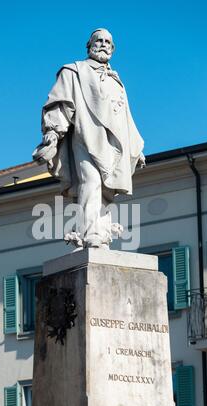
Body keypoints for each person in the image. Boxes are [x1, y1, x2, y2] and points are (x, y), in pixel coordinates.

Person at [33, 28, 145, 248]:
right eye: (98, 40)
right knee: (90, 180)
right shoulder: (74, 71)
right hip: (85, 135)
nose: (103, 44)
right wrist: (53, 132)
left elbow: (124, 116)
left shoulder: (117, 81)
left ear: (112, 49)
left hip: (112, 143)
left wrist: (134, 147)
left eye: (107, 42)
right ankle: (89, 233)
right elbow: (61, 102)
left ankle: (102, 234)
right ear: (89, 45)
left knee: (106, 188)